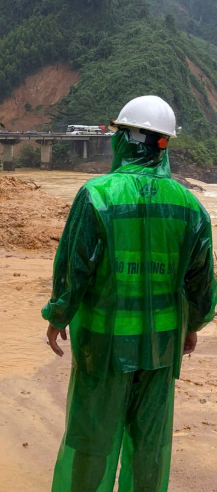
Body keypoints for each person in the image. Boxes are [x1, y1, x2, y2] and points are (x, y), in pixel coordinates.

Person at [43, 95, 217, 491]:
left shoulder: (98, 195)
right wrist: (191, 327)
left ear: (128, 139)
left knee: (92, 440)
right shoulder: (190, 206)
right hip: (160, 347)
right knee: (149, 446)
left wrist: (58, 316)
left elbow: (75, 268)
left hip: (103, 346)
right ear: (162, 144)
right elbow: (202, 285)